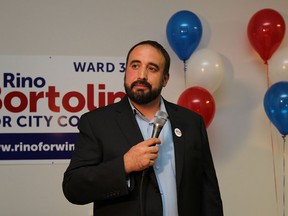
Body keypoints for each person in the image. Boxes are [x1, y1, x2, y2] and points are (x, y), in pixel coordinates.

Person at [62, 40, 223, 216]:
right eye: (135, 66)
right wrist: (124, 165)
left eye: (152, 68)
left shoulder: (191, 122)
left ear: (165, 79)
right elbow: (73, 187)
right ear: (125, 71)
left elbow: (209, 192)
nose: (142, 75)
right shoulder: (96, 123)